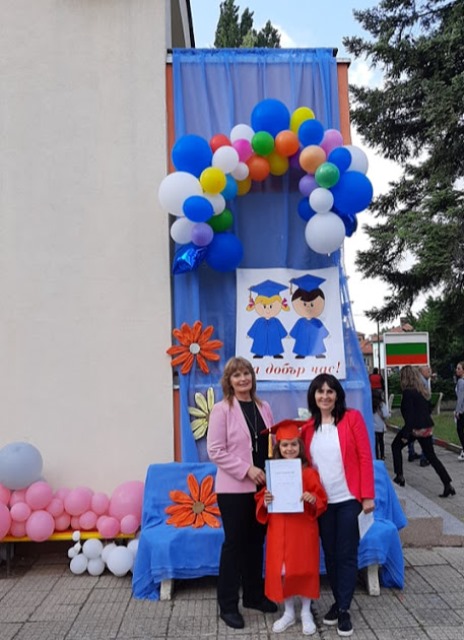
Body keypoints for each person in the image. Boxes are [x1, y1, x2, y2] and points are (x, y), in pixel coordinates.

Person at [301, 373, 375, 638]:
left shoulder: (352, 419)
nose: (325, 396)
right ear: (313, 396)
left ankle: (343, 610)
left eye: (330, 391)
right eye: (320, 391)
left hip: (348, 500)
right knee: (330, 555)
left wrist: (367, 495)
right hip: (323, 504)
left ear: (337, 395)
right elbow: (302, 465)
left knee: (346, 554)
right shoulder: (307, 429)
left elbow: (365, 457)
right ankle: (339, 599)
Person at [207, 356, 277, 630]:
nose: (243, 378)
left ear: (252, 377)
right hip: (234, 489)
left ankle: (253, 596)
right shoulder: (221, 410)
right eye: (237, 375)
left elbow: (270, 443)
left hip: (262, 488)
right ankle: (227, 605)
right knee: (234, 545)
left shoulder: (264, 407)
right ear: (229, 381)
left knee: (256, 542)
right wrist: (247, 469)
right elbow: (215, 451)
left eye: (246, 373)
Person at [255, 420, 327, 636]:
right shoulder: (273, 472)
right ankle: (288, 612)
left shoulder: (309, 473)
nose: (289, 449)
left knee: (304, 569)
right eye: (285, 445)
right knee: (284, 571)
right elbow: (262, 497)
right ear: (278, 448)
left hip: (302, 528)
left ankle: (305, 612)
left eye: (293, 444)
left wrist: (312, 498)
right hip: (279, 528)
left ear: (300, 446)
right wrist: (265, 500)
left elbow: (321, 498)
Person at [391, 366, 455, 497]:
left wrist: (406, 434)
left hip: (415, 428)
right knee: (431, 456)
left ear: (404, 378)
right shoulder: (421, 391)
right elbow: (428, 408)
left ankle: (399, 476)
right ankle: (447, 484)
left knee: (395, 446)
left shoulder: (408, 393)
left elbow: (409, 416)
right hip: (426, 426)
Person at [372, 389, 389, 460]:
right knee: (381, 441)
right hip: (380, 426)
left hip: (372, 427)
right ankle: (382, 455)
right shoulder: (382, 404)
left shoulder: (370, 404)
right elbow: (386, 415)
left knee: (375, 443)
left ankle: (376, 456)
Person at [455, 361, 464, 461]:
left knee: (459, 430)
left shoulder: (461, 381)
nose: (456, 370)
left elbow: (460, 397)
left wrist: (457, 411)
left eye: (459, 368)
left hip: (462, 411)